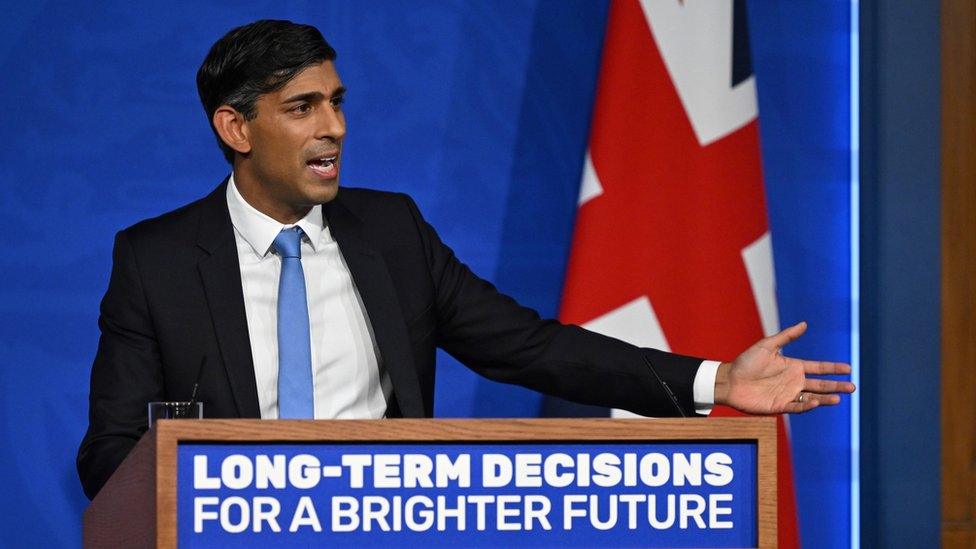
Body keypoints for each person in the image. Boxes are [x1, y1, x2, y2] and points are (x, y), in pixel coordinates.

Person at [76, 19, 854, 501]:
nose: (336, 127)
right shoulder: (158, 261)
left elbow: (532, 346)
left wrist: (717, 380)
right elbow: (108, 450)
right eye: (303, 107)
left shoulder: (390, 231)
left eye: (338, 101)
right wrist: (192, 493)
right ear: (236, 128)